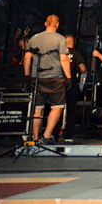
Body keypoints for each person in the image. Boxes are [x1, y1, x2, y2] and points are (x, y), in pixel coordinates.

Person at [23, 15, 71, 145]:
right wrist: (68, 77)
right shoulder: (60, 39)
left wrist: (27, 75)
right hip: (55, 77)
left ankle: (35, 137)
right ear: (57, 24)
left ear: (45, 23)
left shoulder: (34, 38)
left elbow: (27, 58)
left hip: (37, 77)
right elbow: (64, 59)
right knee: (57, 106)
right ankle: (46, 135)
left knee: (37, 108)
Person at [62, 34, 87, 143]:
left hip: (58, 83)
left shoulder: (59, 53)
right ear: (72, 43)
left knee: (56, 107)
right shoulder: (75, 54)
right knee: (71, 109)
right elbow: (83, 68)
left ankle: (53, 133)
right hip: (71, 83)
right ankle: (69, 134)